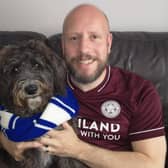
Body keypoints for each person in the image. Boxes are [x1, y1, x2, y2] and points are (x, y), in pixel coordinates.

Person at [0, 4, 166, 168]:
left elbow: (153, 164)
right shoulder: (48, 80)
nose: (84, 49)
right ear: (63, 45)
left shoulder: (139, 91)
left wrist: (78, 150)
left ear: (108, 42)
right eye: (74, 38)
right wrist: (5, 140)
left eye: (94, 37)